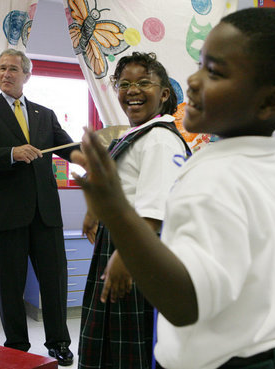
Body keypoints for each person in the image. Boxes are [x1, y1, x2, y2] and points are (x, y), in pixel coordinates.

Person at [72, 7, 275, 369]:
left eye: (215, 72)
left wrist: (117, 213)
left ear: (270, 102)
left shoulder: (214, 176)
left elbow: (185, 305)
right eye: (201, 65)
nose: (191, 81)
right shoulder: (272, 164)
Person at [78, 52, 191, 369]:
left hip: (136, 253)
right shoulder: (138, 134)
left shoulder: (159, 140)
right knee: (111, 342)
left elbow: (154, 211)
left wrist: (124, 256)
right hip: (123, 246)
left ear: (164, 93)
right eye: (124, 84)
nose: (133, 90)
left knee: (130, 346)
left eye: (144, 82)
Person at [0, 49, 76, 365]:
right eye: (1, 68)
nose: (6, 74)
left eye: (12, 69)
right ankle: (16, 347)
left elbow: (69, 149)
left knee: (55, 282)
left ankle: (59, 343)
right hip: (6, 213)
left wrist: (102, 151)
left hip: (46, 214)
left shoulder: (44, 114)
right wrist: (10, 153)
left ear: (26, 74)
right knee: (10, 286)